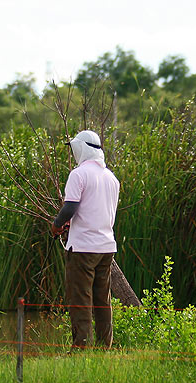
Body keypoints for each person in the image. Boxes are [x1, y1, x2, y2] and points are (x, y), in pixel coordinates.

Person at [50, 130, 119, 349]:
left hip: (82, 250)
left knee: (81, 300)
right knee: (102, 301)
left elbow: (70, 206)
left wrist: (57, 225)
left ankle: (81, 349)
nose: (72, 153)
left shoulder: (78, 174)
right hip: (106, 248)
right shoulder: (111, 178)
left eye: (73, 148)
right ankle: (103, 347)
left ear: (81, 148)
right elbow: (95, 210)